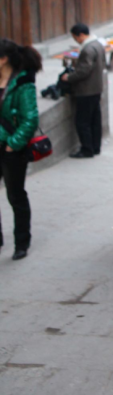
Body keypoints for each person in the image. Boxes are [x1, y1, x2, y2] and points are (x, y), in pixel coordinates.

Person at [0, 39, 42, 260]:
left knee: (15, 195)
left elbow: (30, 118)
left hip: (12, 149)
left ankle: (22, 242)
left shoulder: (23, 82)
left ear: (4, 59)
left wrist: (13, 144)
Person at [62, 24, 105, 159]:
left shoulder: (88, 49)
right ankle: (95, 147)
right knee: (95, 120)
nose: (75, 40)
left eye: (75, 37)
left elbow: (83, 71)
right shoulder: (98, 44)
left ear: (80, 35)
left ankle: (87, 149)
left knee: (83, 122)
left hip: (86, 90)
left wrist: (69, 77)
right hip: (96, 88)